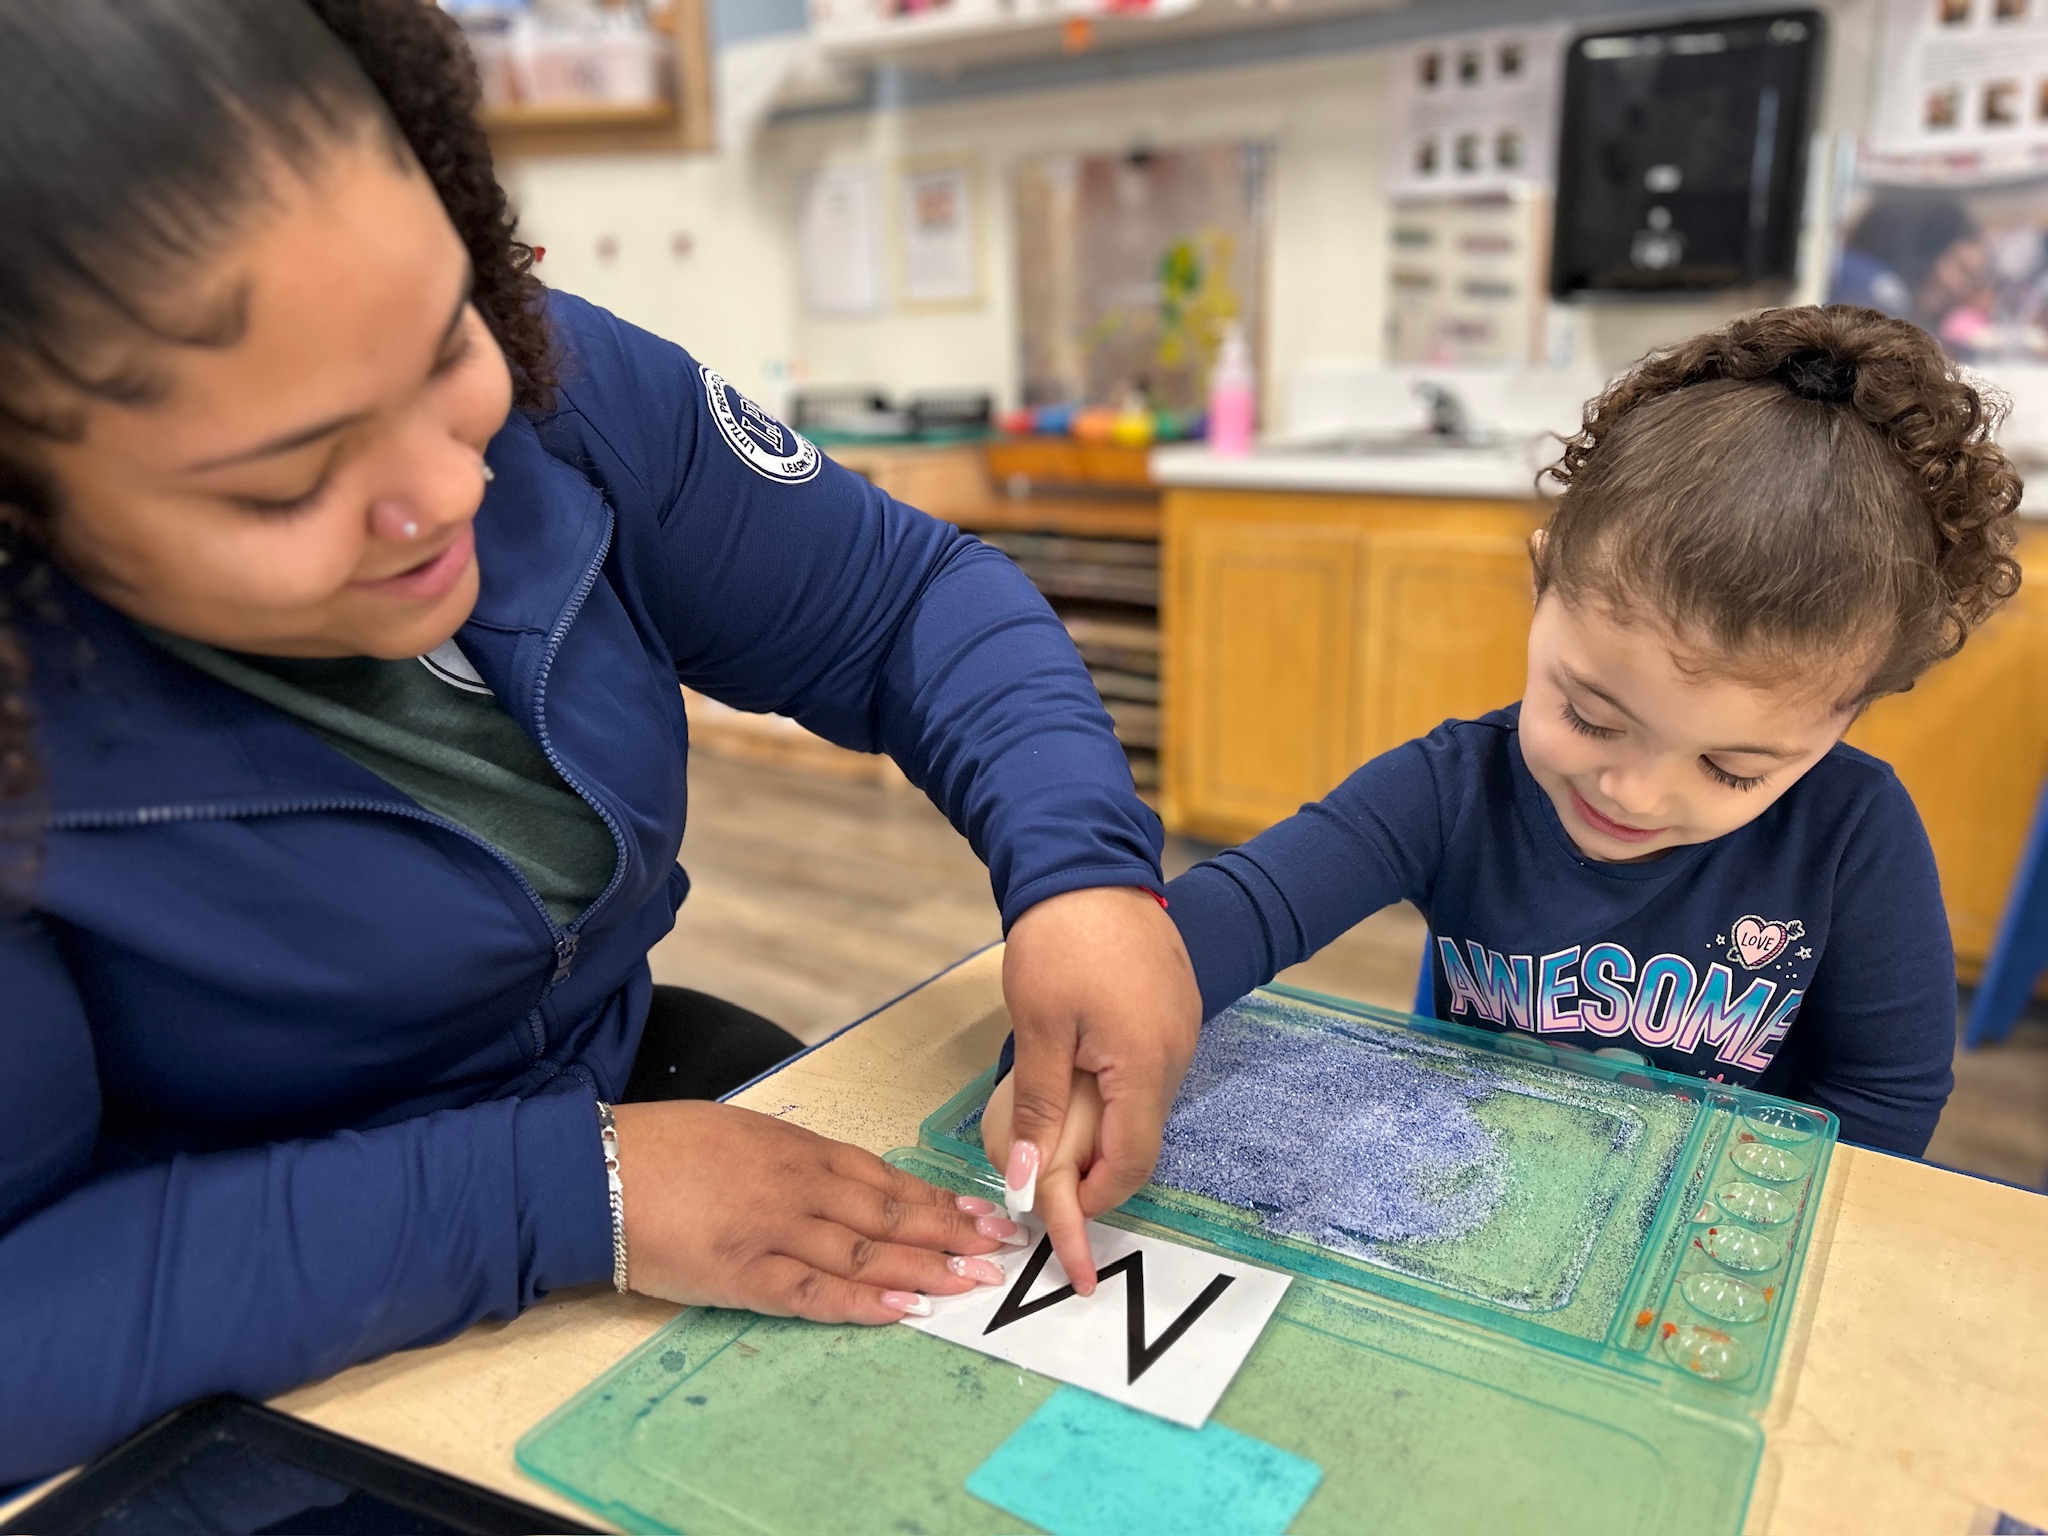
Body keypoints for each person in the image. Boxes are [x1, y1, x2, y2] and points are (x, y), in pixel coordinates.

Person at [0, 0, 1200, 1483]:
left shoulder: (555, 386)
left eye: (444, 350)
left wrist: (1083, 873)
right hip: (244, 1323)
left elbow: (907, 600)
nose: (447, 490)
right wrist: (573, 1193)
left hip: (616, 1084)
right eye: (284, 486)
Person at [987, 305, 2022, 1193]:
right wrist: (1073, 1057)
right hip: (1467, 1185)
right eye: (1591, 714)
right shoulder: (1452, 787)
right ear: (1540, 585)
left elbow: (1883, 1096)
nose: (1633, 789)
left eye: (1730, 769)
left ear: (1844, 718)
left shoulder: (1853, 833)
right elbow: (1232, 917)